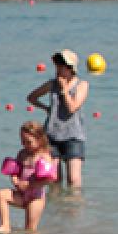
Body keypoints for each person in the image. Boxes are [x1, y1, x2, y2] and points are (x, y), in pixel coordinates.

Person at [28, 50, 88, 187]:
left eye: (61, 65)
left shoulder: (82, 85)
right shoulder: (51, 84)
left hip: (74, 136)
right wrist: (46, 108)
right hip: (51, 135)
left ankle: (73, 207)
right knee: (54, 179)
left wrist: (64, 90)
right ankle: (57, 208)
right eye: (57, 65)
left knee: (73, 179)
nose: (58, 69)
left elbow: (72, 108)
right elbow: (31, 97)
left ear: (70, 68)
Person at [0, 122, 58, 234]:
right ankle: (5, 225)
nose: (25, 144)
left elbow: (50, 178)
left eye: (28, 142)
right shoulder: (22, 153)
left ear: (40, 139)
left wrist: (30, 184)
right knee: (1, 194)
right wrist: (15, 180)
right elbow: (15, 170)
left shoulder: (44, 156)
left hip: (36, 197)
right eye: (22, 141)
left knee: (30, 231)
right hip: (21, 194)